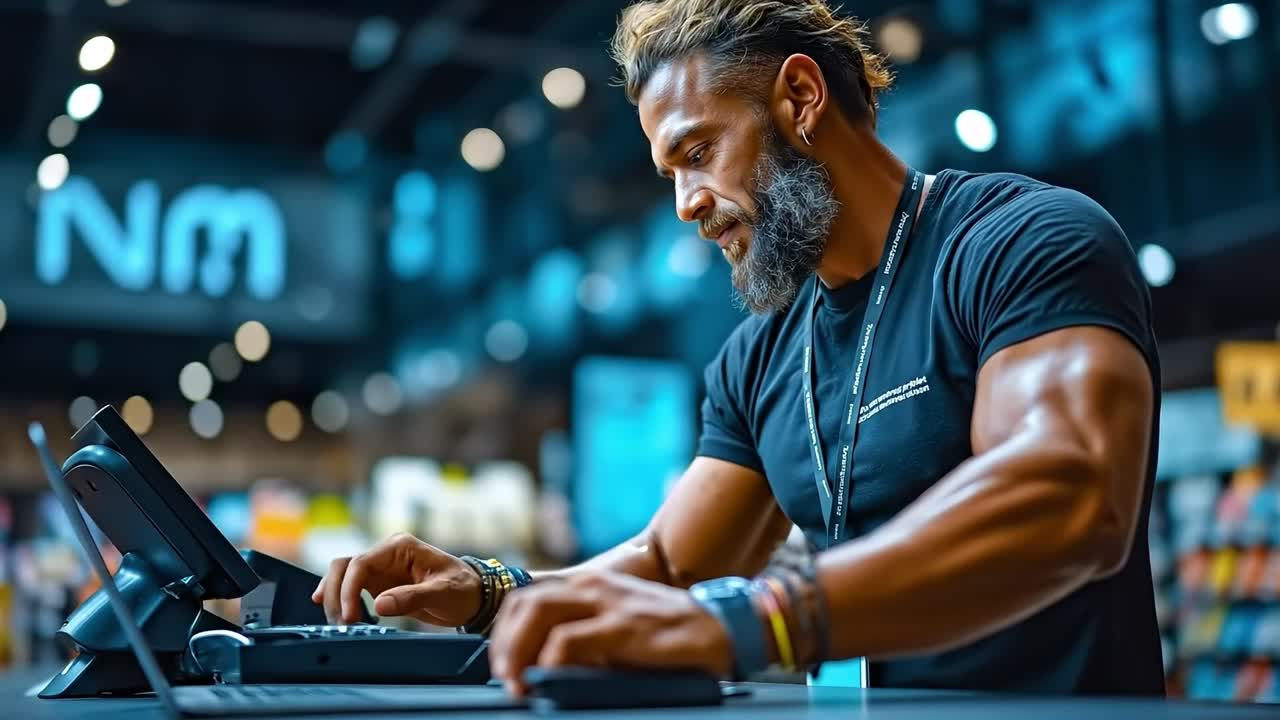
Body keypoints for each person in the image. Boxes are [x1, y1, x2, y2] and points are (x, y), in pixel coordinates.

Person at [313, 0, 1164, 698]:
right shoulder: (759, 356)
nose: (686, 204)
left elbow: (1071, 494)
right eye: (670, 173)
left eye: (699, 152)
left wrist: (763, 621)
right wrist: (490, 592)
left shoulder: (1022, 243)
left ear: (800, 96)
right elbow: (669, 564)